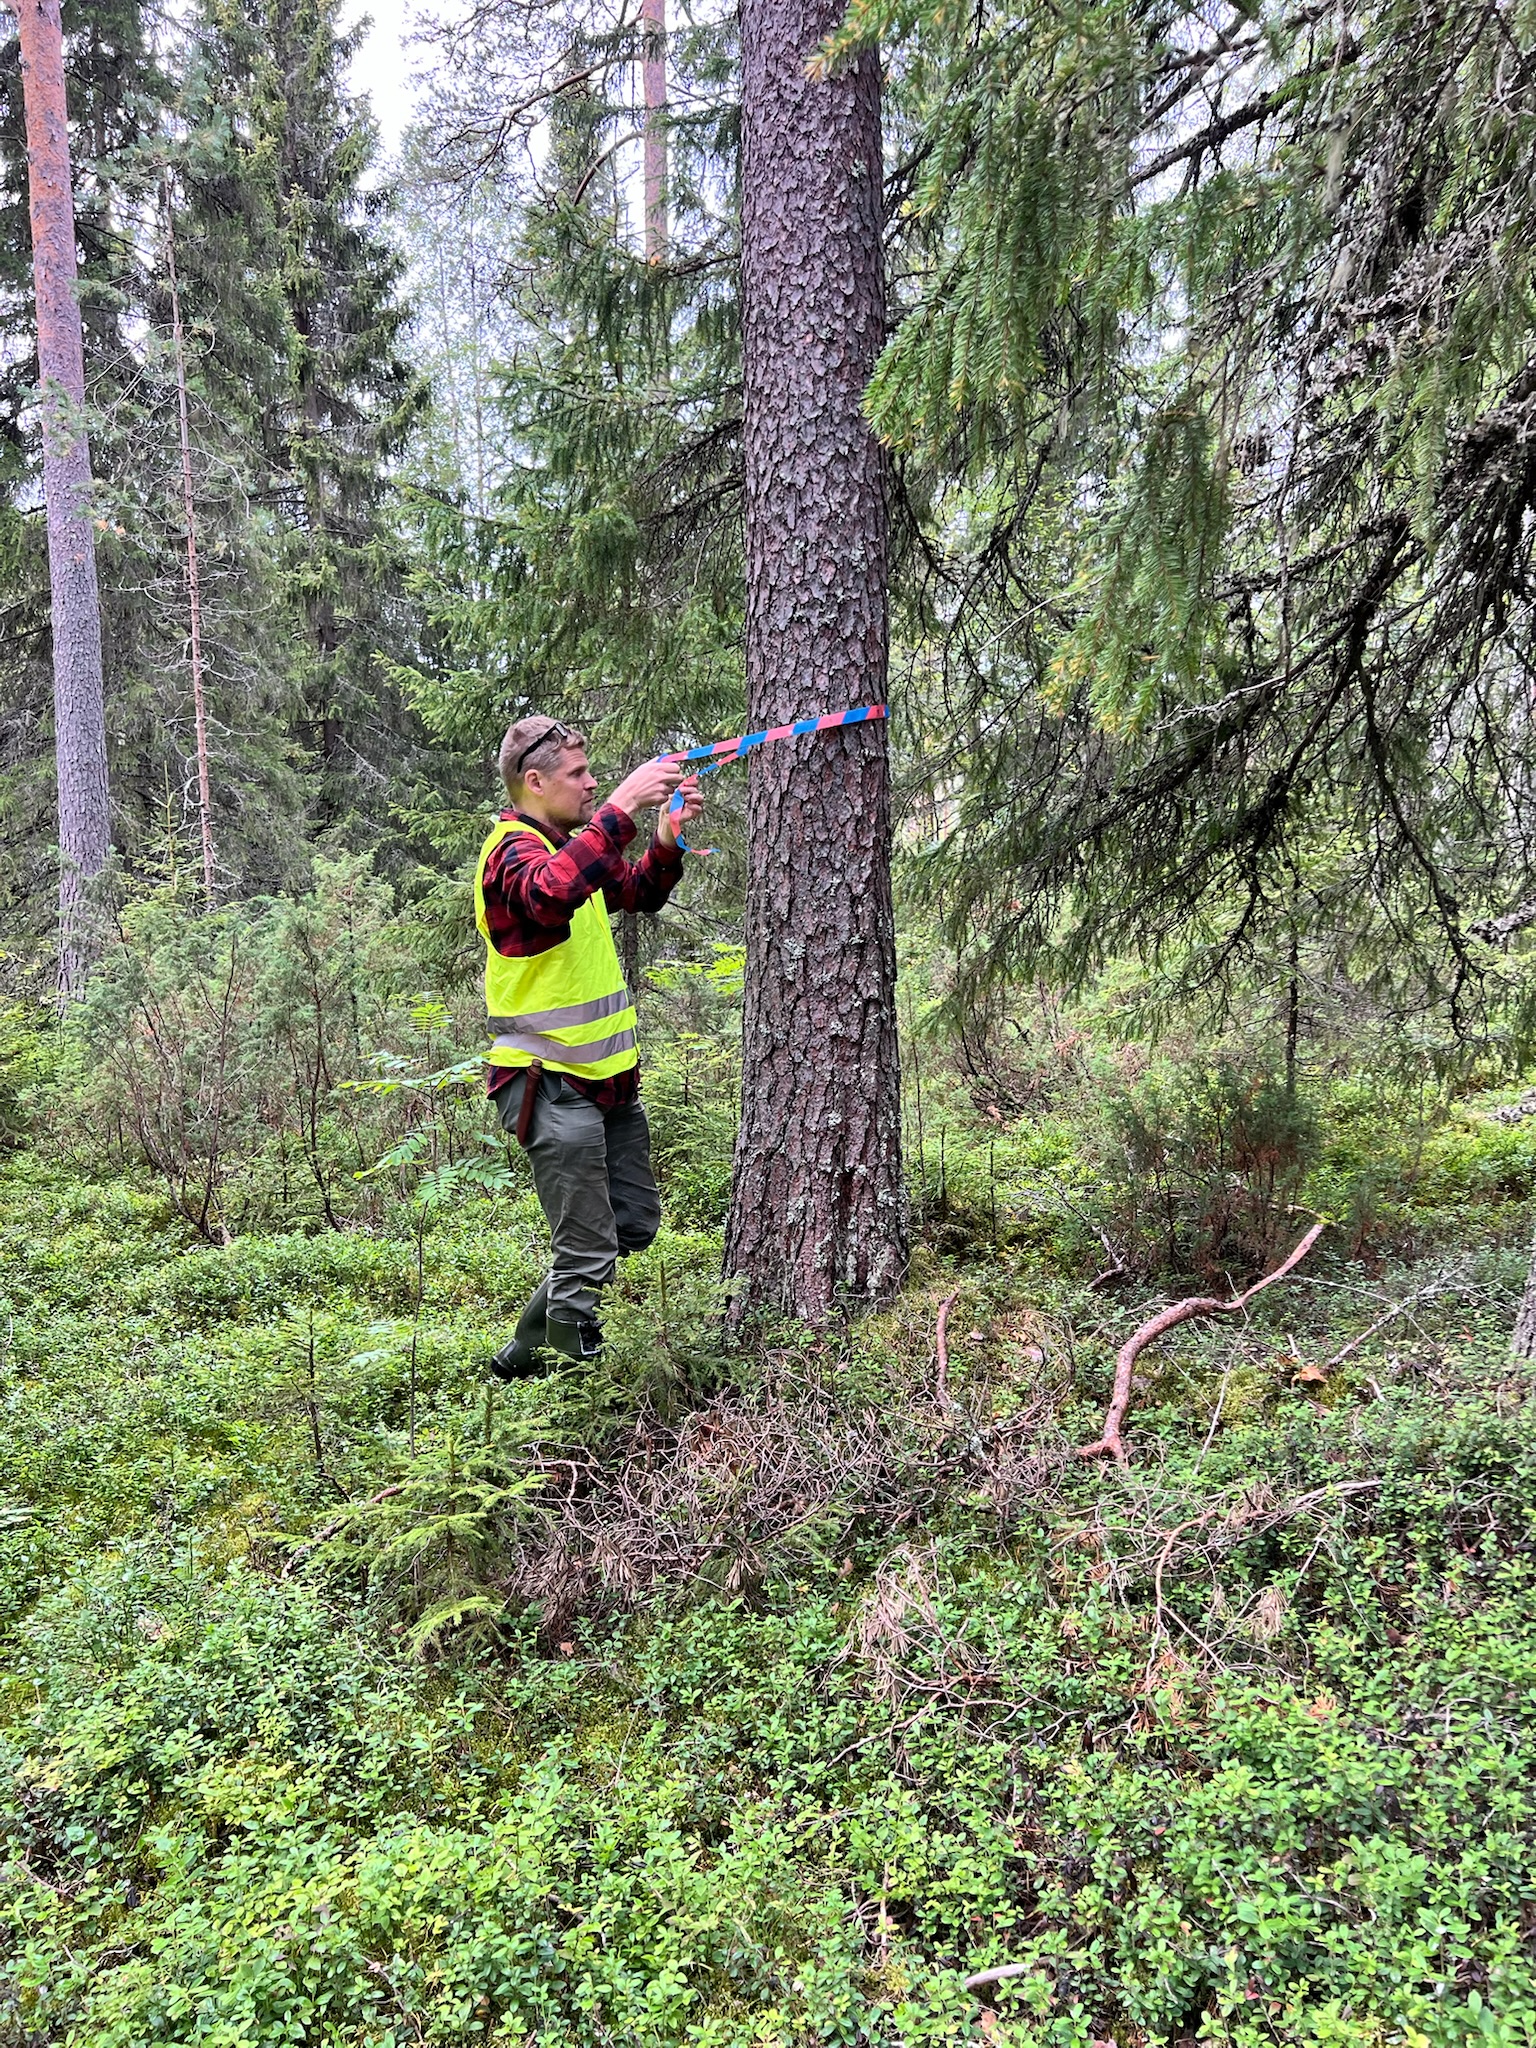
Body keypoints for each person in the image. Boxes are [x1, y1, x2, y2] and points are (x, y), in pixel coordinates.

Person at [475, 716, 703, 1376]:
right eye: (579, 774)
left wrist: (663, 837)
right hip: (546, 1080)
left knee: (631, 1225)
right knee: (587, 1244)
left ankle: (524, 1349)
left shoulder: (571, 848)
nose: (592, 782)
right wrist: (624, 803)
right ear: (536, 781)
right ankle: (569, 1377)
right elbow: (548, 897)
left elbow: (637, 892)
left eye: (593, 773)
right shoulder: (511, 854)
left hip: (608, 1080)